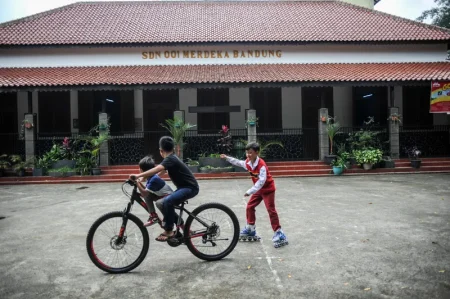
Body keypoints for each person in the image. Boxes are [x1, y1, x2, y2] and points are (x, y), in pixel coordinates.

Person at [130, 136, 199, 242]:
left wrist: (138, 176)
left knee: (167, 201)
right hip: (183, 188)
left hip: (190, 188)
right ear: (173, 148)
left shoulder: (170, 159)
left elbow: (158, 169)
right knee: (161, 202)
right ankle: (182, 228)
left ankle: (169, 230)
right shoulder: (172, 158)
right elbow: (158, 173)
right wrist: (143, 178)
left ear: (161, 151)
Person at [220, 142, 288, 248]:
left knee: (271, 210)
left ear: (257, 152)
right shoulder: (248, 163)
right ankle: (250, 228)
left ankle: (279, 233)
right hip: (258, 190)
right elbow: (238, 162)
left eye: (250, 153)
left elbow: (261, 182)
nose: (248, 155)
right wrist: (227, 158)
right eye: (247, 153)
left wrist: (250, 191)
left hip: (268, 189)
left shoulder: (262, 166)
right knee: (250, 207)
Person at [135, 155, 174, 228]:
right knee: (147, 196)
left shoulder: (153, 179)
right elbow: (146, 190)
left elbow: (144, 193)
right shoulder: (151, 177)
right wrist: (139, 183)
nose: (139, 170)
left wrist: (137, 183)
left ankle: (166, 221)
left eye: (140, 168)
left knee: (158, 203)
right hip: (162, 195)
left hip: (168, 196)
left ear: (143, 170)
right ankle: (154, 216)